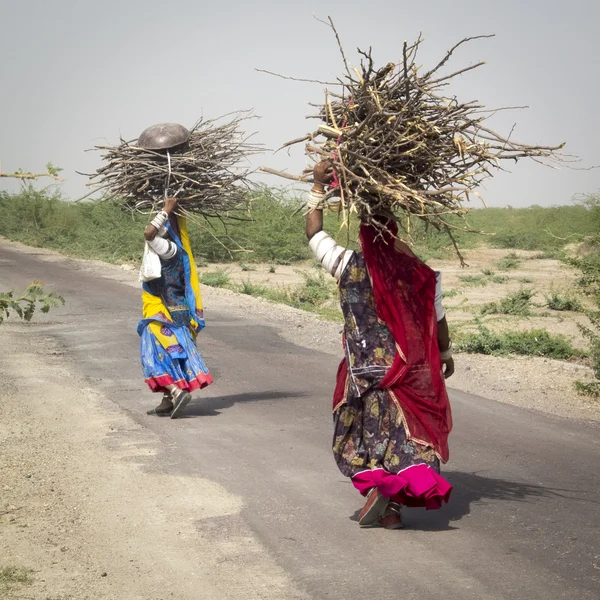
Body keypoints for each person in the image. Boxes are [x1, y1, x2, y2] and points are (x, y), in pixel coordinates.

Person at [306, 161, 454, 529]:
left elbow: (313, 233)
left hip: (363, 370)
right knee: (404, 437)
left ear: (364, 235)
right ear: (395, 231)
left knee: (367, 432)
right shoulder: (422, 276)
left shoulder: (345, 263)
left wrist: (317, 189)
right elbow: (438, 323)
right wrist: (446, 355)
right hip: (406, 372)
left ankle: (381, 493)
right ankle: (392, 507)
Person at [138, 197, 213, 418]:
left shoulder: (169, 249)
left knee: (152, 353)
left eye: (164, 221)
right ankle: (167, 401)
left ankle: (176, 391)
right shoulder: (175, 250)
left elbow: (149, 233)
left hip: (166, 314)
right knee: (172, 355)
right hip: (177, 311)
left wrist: (166, 209)